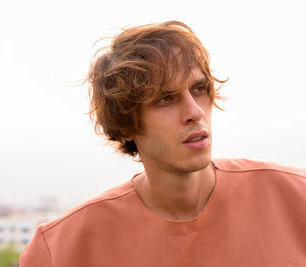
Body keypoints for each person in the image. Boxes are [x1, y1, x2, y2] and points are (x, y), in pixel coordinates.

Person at [19, 20, 306, 266]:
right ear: (126, 123)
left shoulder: (296, 199)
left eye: (198, 89)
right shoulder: (59, 250)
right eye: (165, 99)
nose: (194, 112)